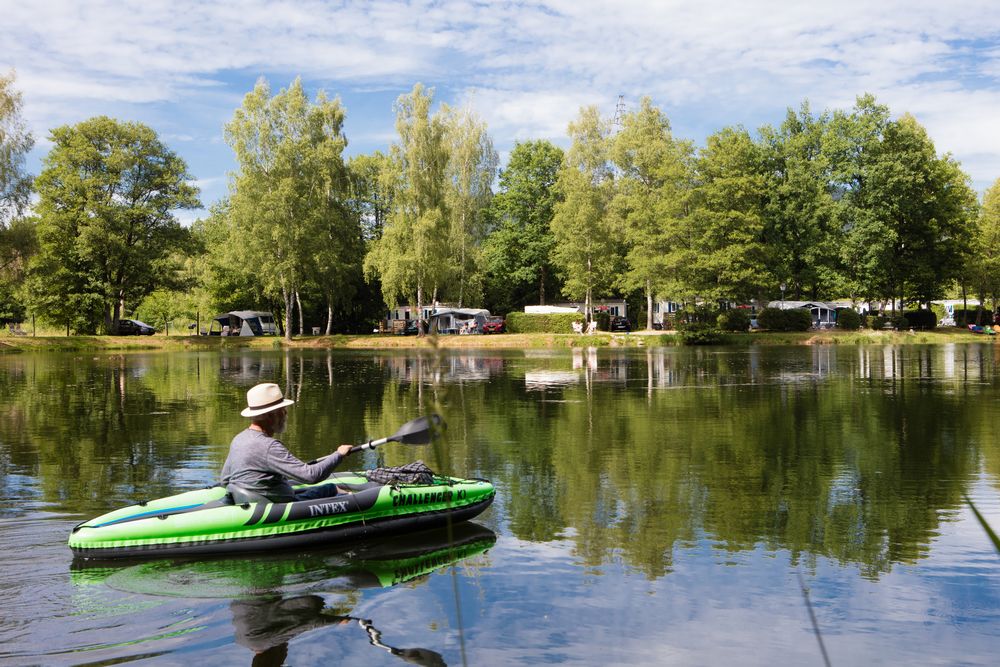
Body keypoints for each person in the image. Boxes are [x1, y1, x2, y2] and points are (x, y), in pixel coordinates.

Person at [221, 382, 353, 502]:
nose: (285, 413)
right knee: (331, 489)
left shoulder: (238, 439)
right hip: (280, 507)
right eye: (282, 410)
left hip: (252, 501)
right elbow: (310, 476)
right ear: (270, 416)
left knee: (328, 488)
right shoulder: (269, 446)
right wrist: (339, 455)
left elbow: (225, 479)